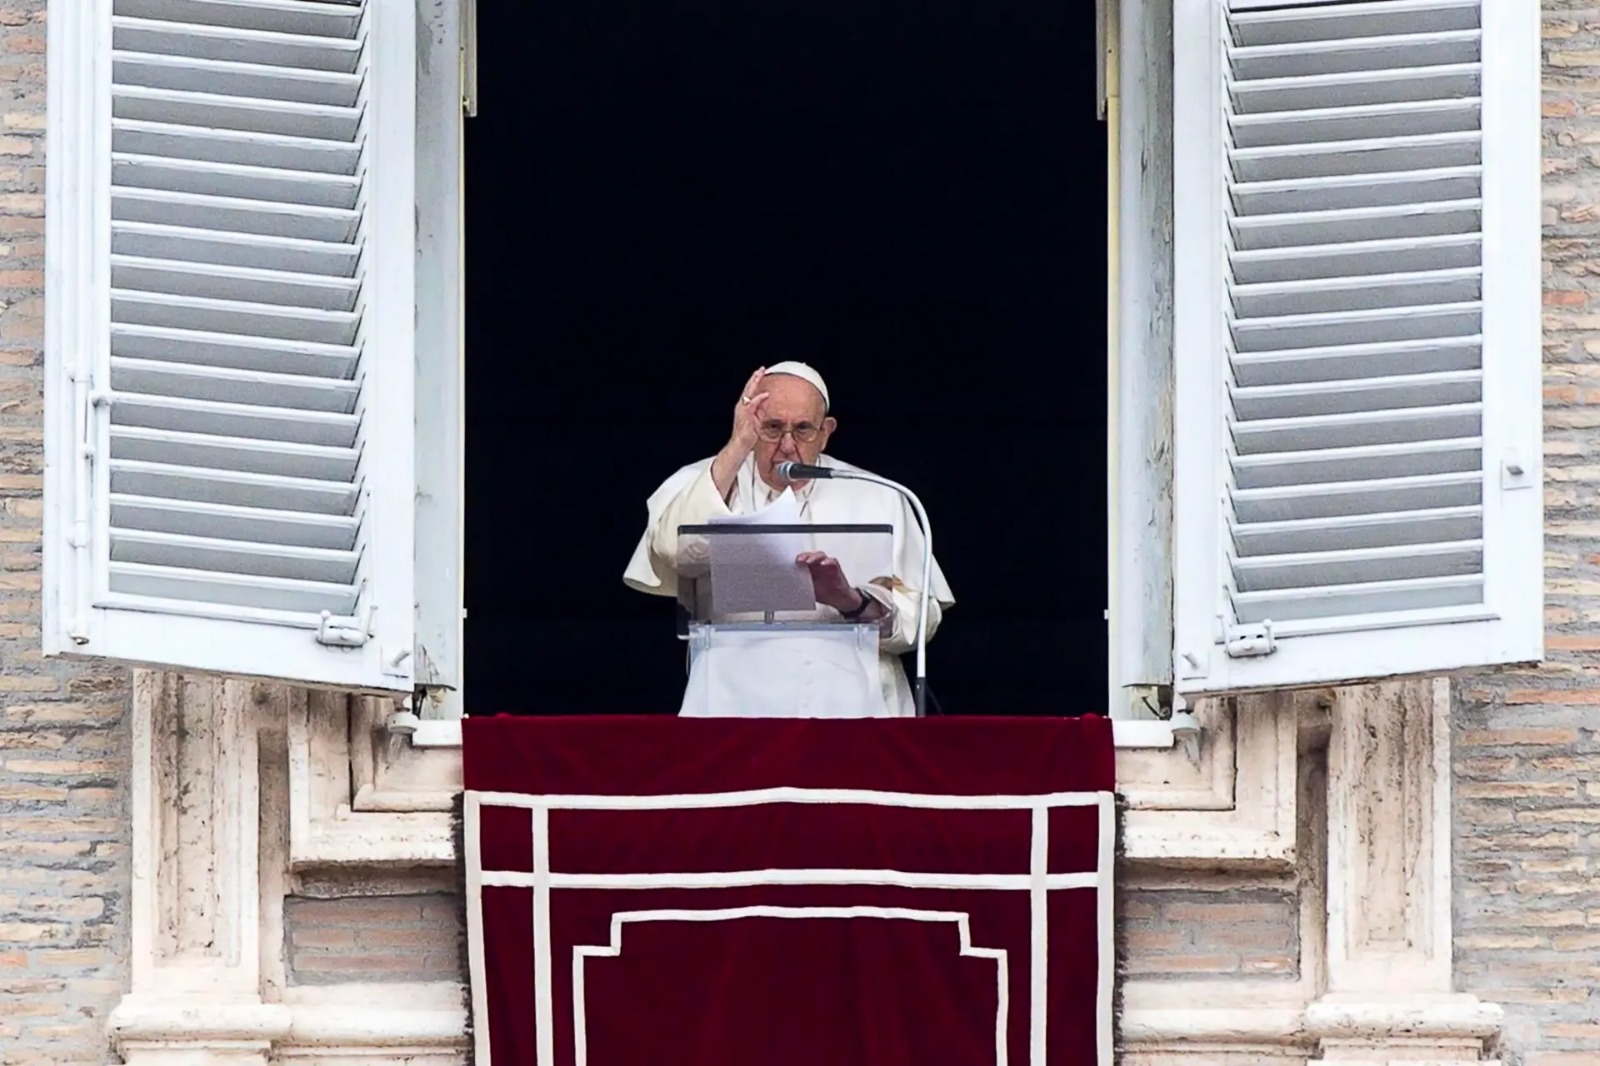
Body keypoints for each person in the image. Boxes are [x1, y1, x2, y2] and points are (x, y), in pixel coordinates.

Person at [624, 361, 954, 717]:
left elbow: (919, 625)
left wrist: (849, 600)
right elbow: (673, 549)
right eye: (771, 428)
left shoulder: (879, 496)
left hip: (854, 707)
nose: (786, 445)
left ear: (825, 432)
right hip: (732, 702)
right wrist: (738, 445)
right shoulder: (705, 480)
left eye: (802, 430)